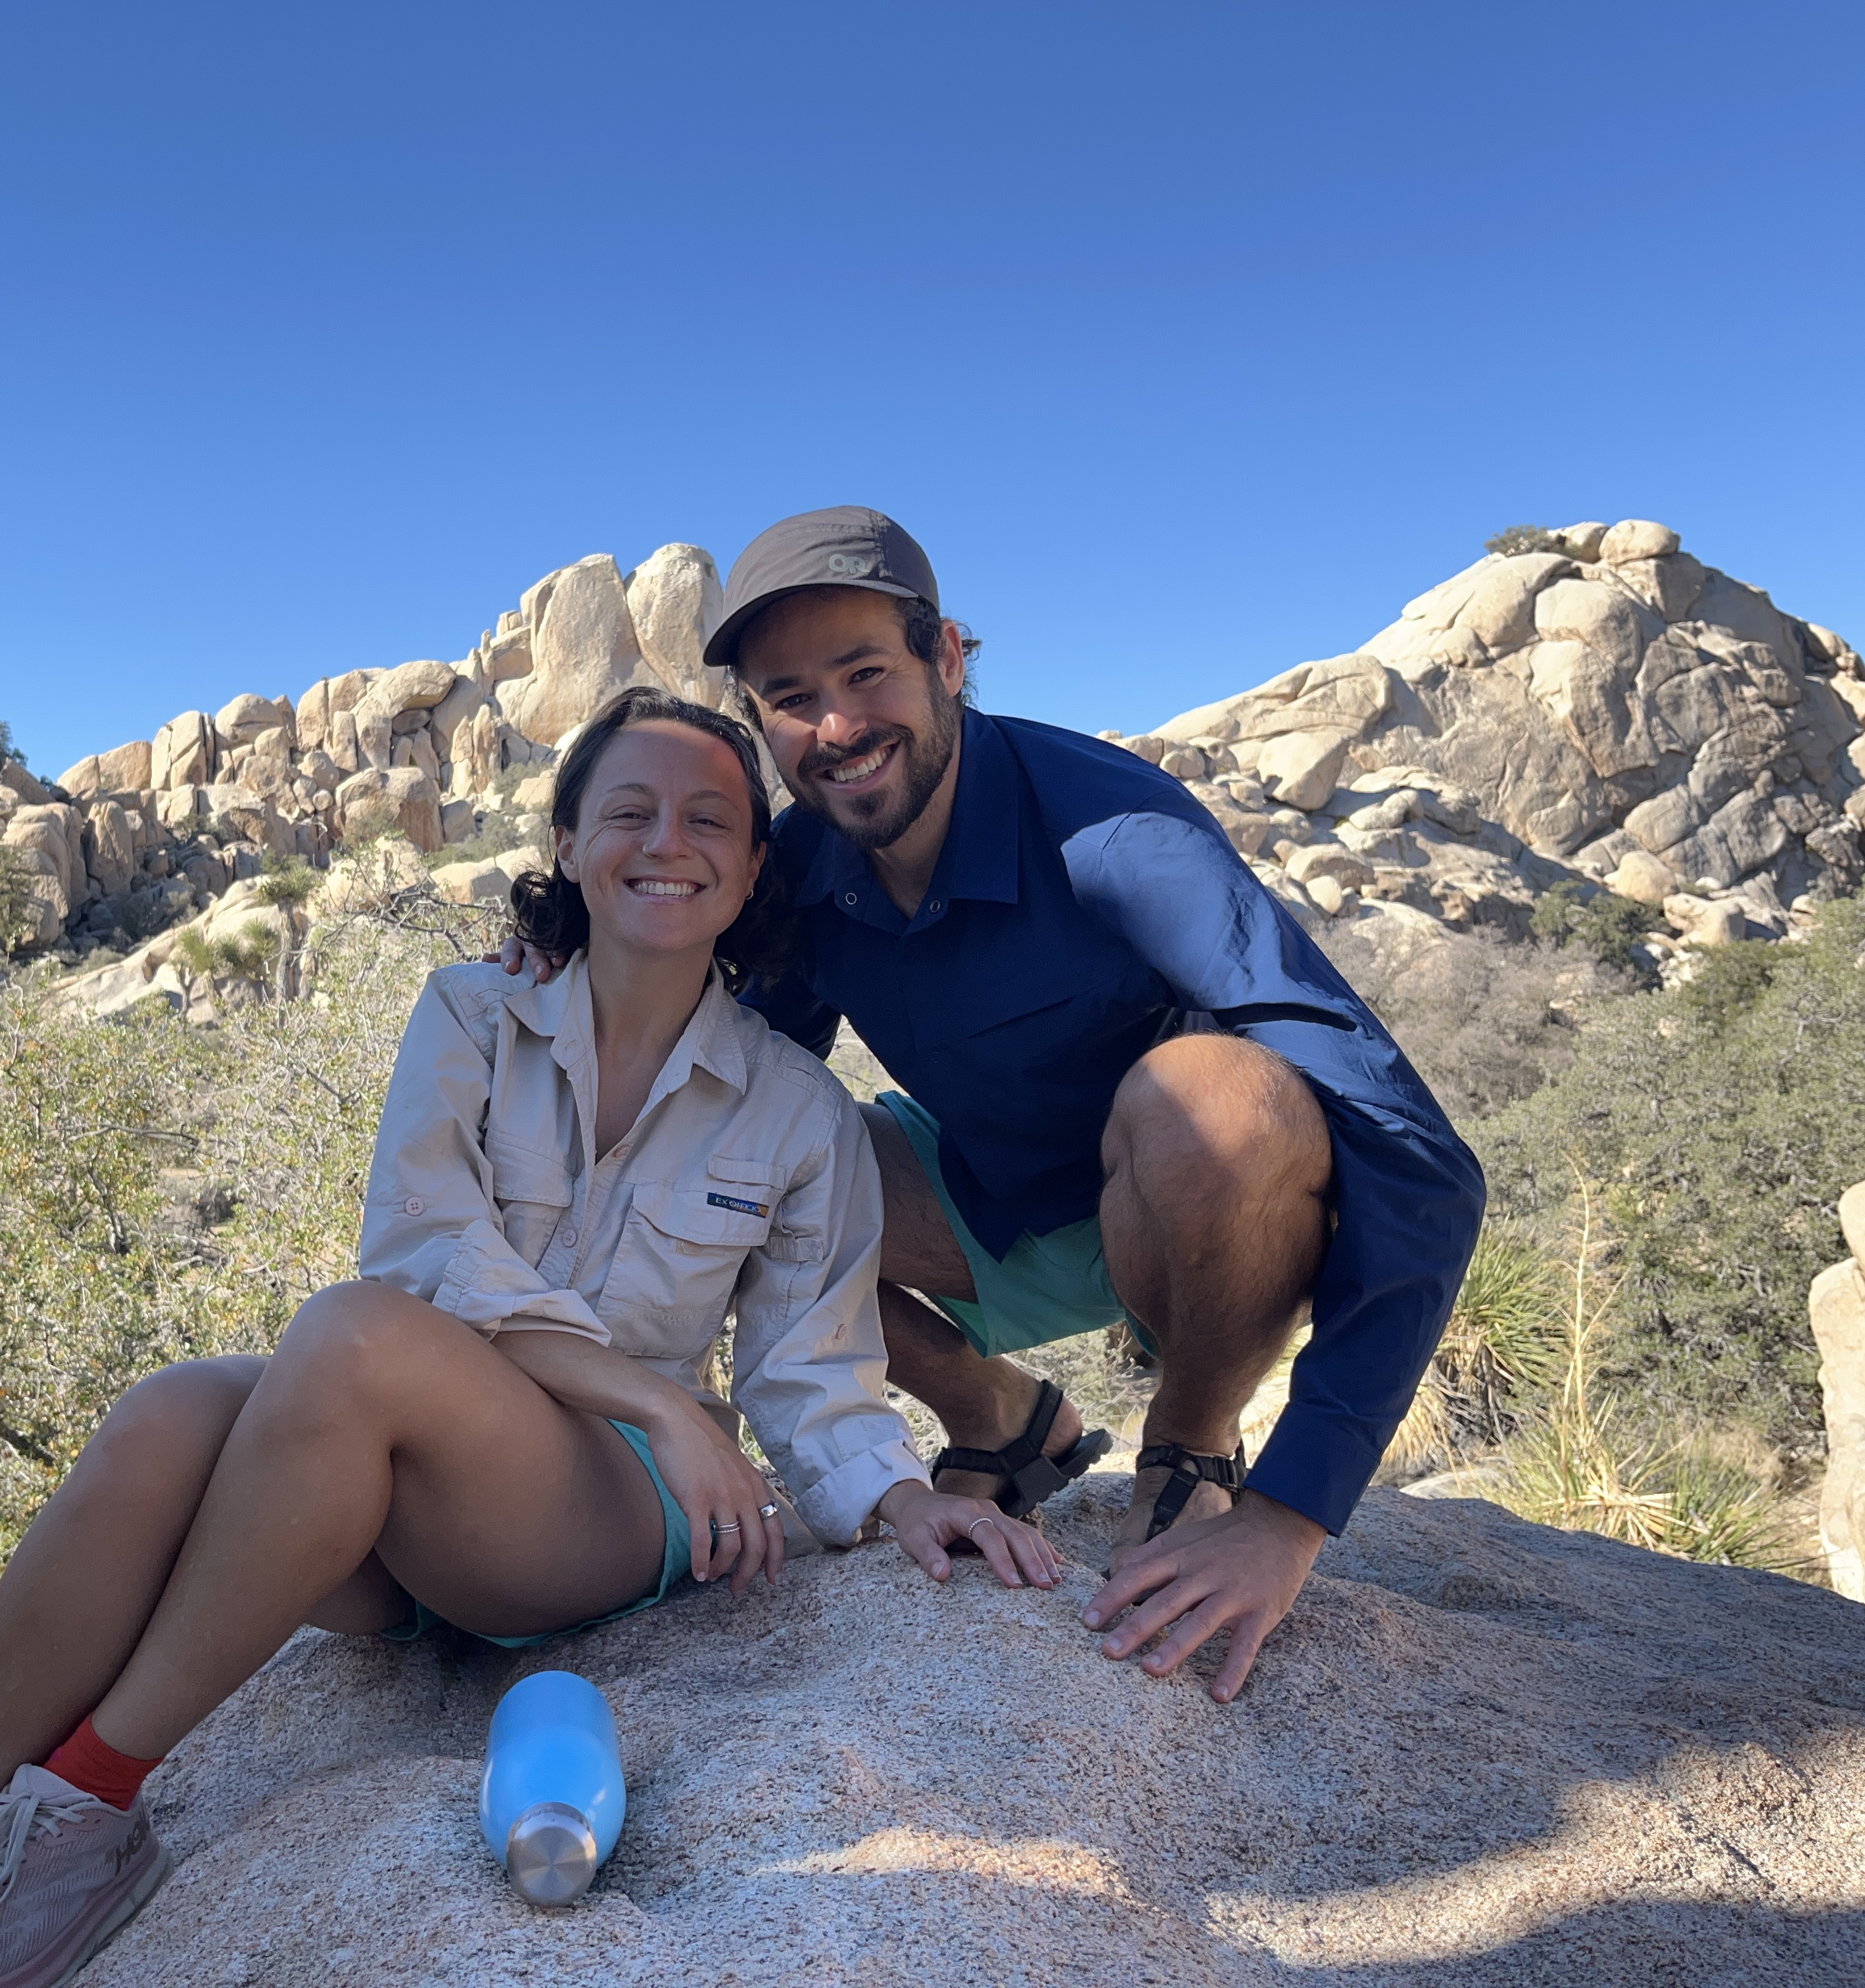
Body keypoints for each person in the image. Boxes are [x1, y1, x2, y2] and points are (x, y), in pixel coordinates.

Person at [0, 686, 1057, 1988]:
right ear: (570, 846)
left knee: (357, 1341)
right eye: (627, 811)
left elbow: (809, 1362)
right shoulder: (471, 1014)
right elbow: (424, 1256)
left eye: (712, 820)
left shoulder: (800, 1111)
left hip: (611, 1513)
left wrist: (897, 1497)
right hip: (435, 1513)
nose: (668, 841)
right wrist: (665, 1398)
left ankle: (84, 1814)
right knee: (169, 1413)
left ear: (753, 871)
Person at [519, 508, 1486, 1708]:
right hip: (988, 1200)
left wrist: (1293, 1514)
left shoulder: (1116, 832)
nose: (836, 727)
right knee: (747, 1164)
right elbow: (713, 1079)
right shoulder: (807, 870)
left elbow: (1417, 1153)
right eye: (790, 696)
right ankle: (1007, 1421)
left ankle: (1192, 1448)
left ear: (950, 660)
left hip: (1194, 1215)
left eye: (866, 673)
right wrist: (562, 949)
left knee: (1223, 1098)